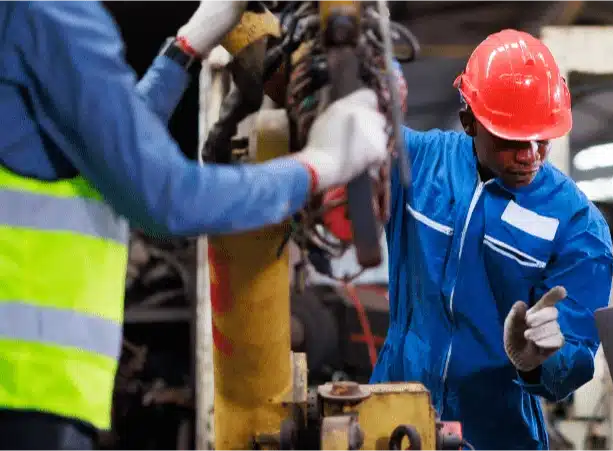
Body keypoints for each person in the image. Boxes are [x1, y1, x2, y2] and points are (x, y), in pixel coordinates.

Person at [0, 1, 389, 449]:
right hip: (26, 394)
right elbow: (165, 198)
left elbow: (107, 154)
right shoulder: (50, 15)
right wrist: (320, 165)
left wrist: (185, 49)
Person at [369, 29, 613, 450]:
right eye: (512, 140)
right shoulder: (418, 167)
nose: (531, 155)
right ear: (469, 121)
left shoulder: (577, 226)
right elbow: (355, 138)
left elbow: (575, 358)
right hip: (392, 418)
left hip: (499, 438)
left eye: (542, 137)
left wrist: (539, 361)